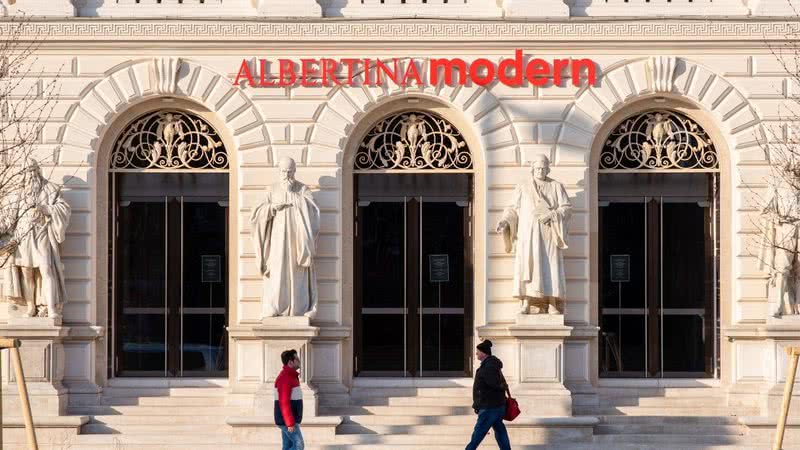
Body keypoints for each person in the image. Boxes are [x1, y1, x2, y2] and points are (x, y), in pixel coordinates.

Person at [496, 154, 572, 315]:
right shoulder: (523, 186)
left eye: (544, 168)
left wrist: (552, 215)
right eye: (538, 168)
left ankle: (551, 302)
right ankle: (526, 302)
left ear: (548, 169)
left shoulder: (556, 186)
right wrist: (505, 221)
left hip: (549, 233)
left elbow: (566, 208)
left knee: (551, 266)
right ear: (533, 169)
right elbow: (512, 209)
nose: (540, 171)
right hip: (528, 234)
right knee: (528, 267)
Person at [0, 157, 71, 318]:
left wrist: (45, 208)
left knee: (47, 269)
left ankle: (51, 308)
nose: (30, 175)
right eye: (26, 172)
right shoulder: (16, 193)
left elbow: (63, 209)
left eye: (32, 171)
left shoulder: (50, 189)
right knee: (27, 273)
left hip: (42, 234)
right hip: (22, 237)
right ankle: (31, 307)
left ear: (38, 171)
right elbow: (7, 218)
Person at [251, 156, 320, 318]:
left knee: (297, 272)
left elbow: (313, 212)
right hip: (277, 239)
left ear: (295, 171)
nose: (287, 175)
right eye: (283, 171)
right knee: (276, 271)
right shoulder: (271, 189)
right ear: (278, 171)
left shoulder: (302, 189)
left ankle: (298, 308)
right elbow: (257, 214)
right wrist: (273, 207)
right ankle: (274, 307)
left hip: (298, 240)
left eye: (290, 171)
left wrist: (293, 196)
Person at [466, 339, 511, 450]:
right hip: (496, 406)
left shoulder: (488, 367)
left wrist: (478, 404)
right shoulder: (491, 365)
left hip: (489, 407)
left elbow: (493, 384)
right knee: (500, 432)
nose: (476, 353)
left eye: (478, 351)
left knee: (478, 434)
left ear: (484, 353)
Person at [275, 349, 304, 450]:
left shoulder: (291, 376)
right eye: (297, 359)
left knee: (287, 446)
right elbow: (284, 402)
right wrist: (290, 423)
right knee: (298, 445)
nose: (299, 361)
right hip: (287, 421)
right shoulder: (286, 377)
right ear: (290, 362)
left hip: (288, 420)